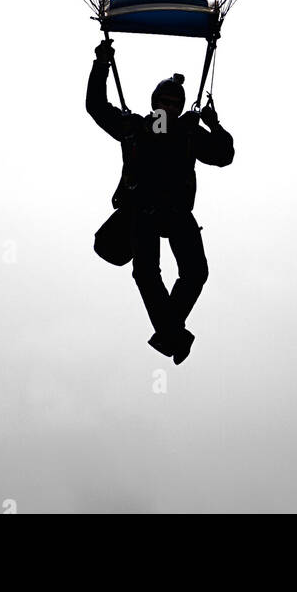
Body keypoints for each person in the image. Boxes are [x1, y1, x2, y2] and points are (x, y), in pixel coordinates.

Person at [86, 37, 234, 363]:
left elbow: (224, 155)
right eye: (162, 100)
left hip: (177, 211)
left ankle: (170, 334)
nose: (167, 106)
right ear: (154, 102)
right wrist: (101, 64)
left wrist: (214, 124)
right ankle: (172, 334)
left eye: (172, 101)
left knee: (196, 272)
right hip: (143, 209)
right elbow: (96, 106)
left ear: (180, 106)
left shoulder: (188, 133)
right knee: (146, 271)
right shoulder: (136, 127)